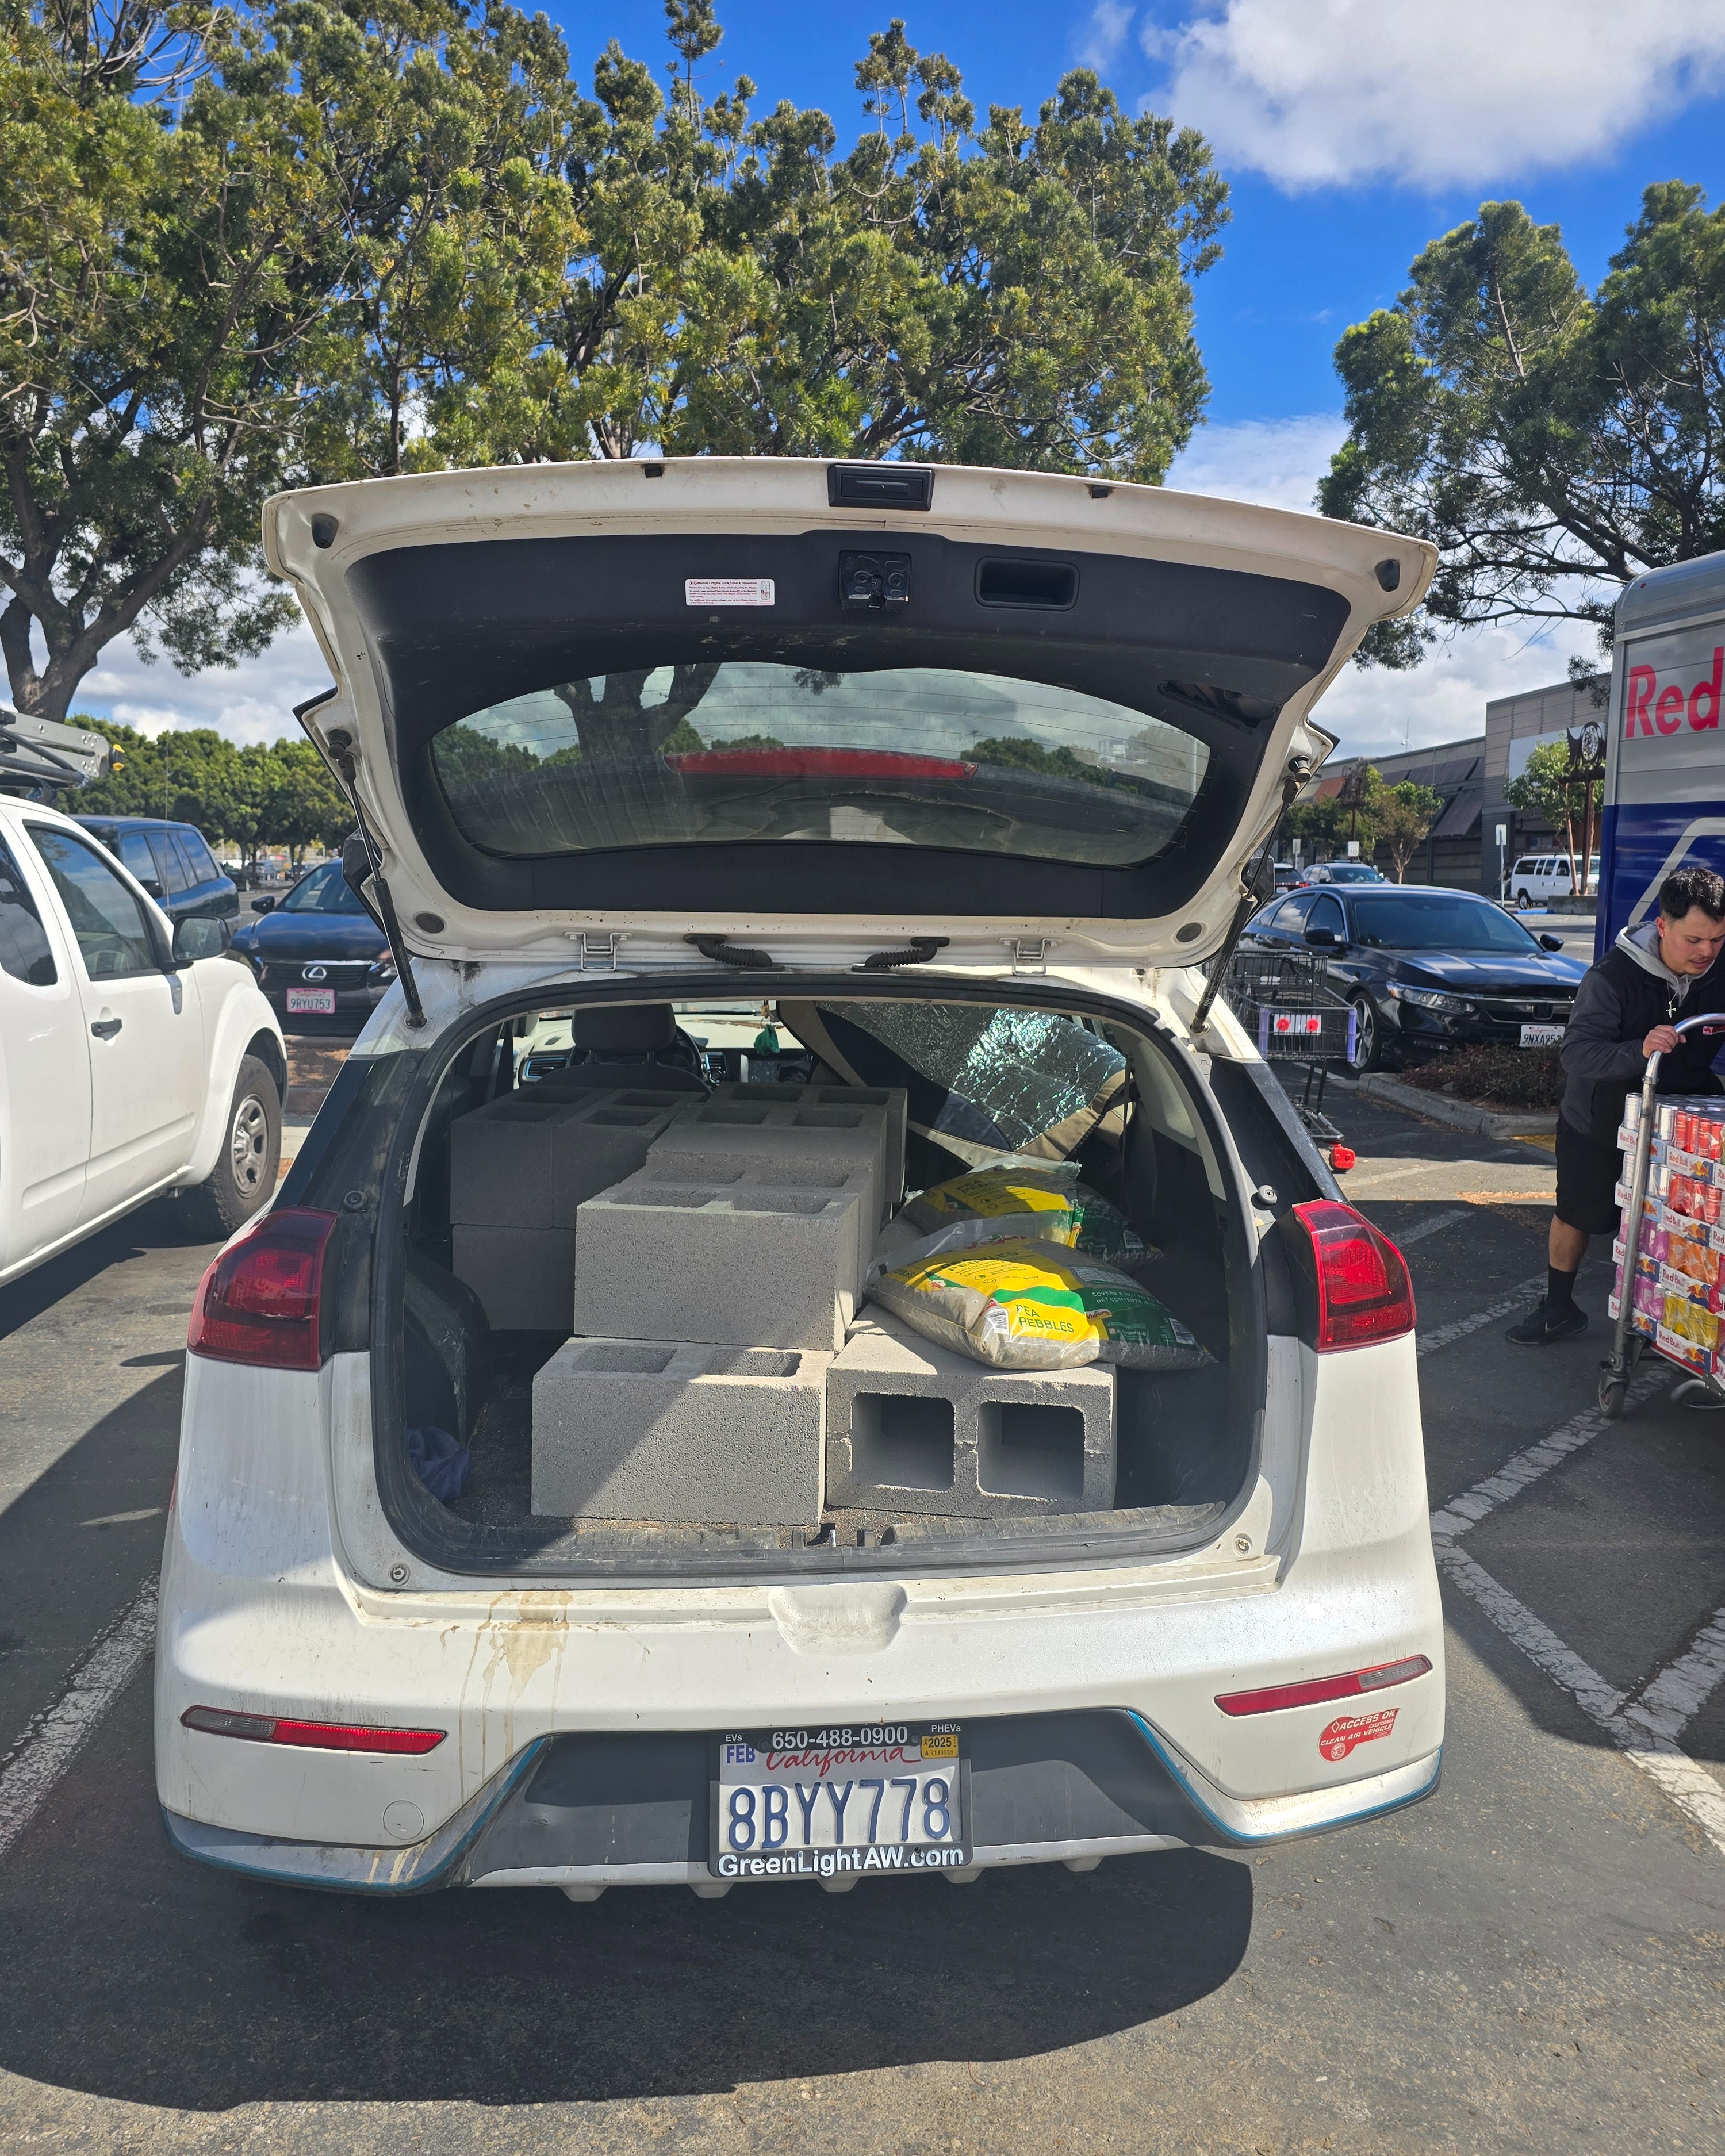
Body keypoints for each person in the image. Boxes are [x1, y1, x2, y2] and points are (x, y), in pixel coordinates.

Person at [1506, 864, 1725, 1345]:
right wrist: (1638, 1049)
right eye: (1694, 940)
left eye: (1717, 940)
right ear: (1663, 925)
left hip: (1682, 1118)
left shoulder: (1716, 970)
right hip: (1601, 1116)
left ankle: (1660, 1319)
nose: (1706, 952)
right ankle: (1559, 1306)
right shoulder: (1612, 977)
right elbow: (1576, 1053)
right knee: (1582, 1214)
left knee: (1678, 1223)